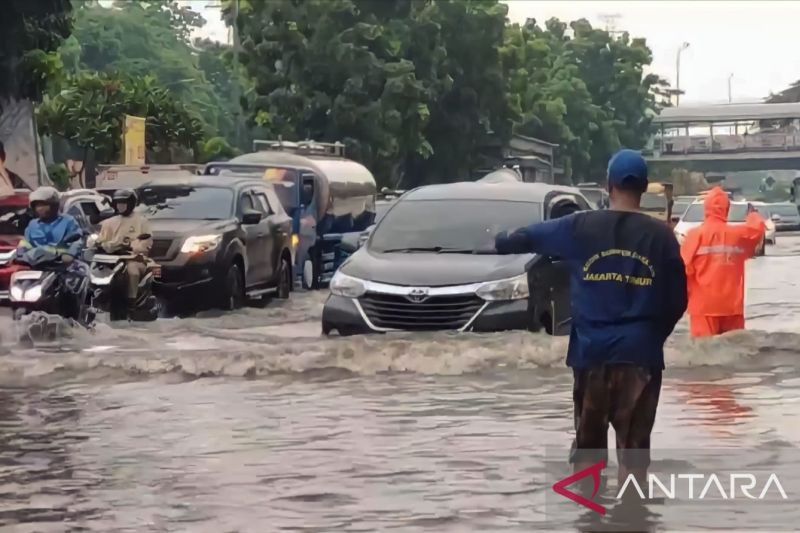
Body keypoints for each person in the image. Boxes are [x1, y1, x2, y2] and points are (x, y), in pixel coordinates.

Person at [495, 149, 687, 486]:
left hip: (591, 356)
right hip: (640, 357)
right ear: (643, 187)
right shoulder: (662, 238)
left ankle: (590, 517)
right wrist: (651, 336)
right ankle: (632, 520)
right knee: (635, 459)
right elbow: (678, 300)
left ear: (608, 184)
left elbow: (525, 238)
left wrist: (499, 240)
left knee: (588, 458)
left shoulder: (579, 227)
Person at [680, 187, 765, 338]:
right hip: (732, 307)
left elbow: (681, 270)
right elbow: (757, 230)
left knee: (703, 351)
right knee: (735, 350)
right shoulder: (738, 235)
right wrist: (753, 214)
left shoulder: (694, 236)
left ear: (706, 208)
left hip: (703, 307)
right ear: (727, 209)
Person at [17, 186, 88, 319]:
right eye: (37, 206)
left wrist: (70, 254)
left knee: (70, 289)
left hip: (62, 267)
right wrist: (18, 254)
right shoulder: (32, 225)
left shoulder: (68, 221)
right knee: (21, 288)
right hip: (38, 267)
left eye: (44, 205)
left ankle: (73, 319)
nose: (40, 209)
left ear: (54, 205)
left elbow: (77, 239)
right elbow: (25, 243)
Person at [95, 189, 153, 313]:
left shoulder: (142, 221)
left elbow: (145, 243)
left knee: (133, 272)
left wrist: (133, 247)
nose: (120, 206)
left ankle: (131, 302)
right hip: (112, 259)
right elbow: (100, 240)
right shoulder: (109, 222)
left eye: (123, 203)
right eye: (118, 203)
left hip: (133, 258)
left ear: (131, 203)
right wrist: (98, 244)